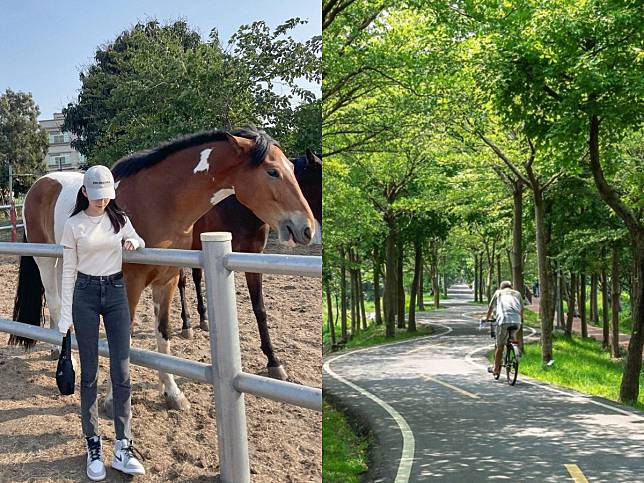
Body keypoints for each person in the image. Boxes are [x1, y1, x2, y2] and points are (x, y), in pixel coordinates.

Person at [58, 165, 146, 481]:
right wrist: (64, 316)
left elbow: (136, 237)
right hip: (84, 293)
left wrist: (134, 243)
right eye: (96, 196)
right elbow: (68, 271)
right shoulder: (73, 225)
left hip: (115, 291)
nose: (101, 201)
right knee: (90, 372)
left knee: (122, 372)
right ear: (85, 193)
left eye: (106, 196)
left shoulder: (119, 219)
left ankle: (123, 445)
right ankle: (93, 442)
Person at [485, 281, 523, 377]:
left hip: (504, 320)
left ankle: (496, 369)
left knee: (500, 346)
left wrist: (487, 318)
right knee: (513, 333)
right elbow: (522, 309)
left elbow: (491, 307)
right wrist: (520, 319)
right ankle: (516, 350)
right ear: (511, 287)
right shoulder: (517, 293)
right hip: (517, 321)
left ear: (501, 287)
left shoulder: (498, 293)